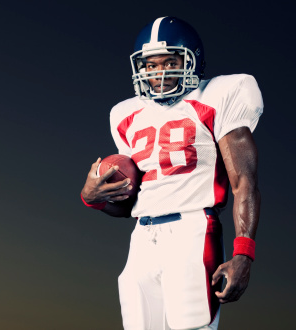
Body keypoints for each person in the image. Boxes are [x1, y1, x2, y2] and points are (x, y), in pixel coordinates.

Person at [81, 16, 263, 330]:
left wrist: (244, 253)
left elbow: (244, 181)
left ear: (192, 62)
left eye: (170, 61)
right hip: (142, 237)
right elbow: (130, 202)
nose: (159, 72)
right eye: (150, 65)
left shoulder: (218, 96)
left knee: (191, 327)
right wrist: (92, 197)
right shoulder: (125, 115)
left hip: (192, 229)